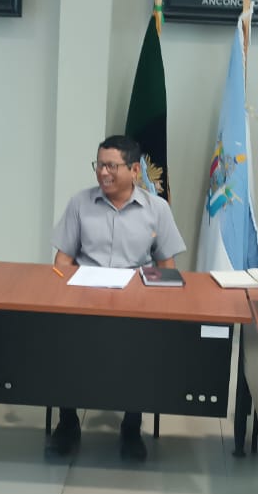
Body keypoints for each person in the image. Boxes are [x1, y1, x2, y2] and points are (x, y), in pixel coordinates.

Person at [49, 135, 187, 461]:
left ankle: (131, 425)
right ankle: (67, 422)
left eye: (112, 166)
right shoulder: (80, 203)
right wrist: (59, 298)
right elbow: (62, 261)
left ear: (135, 170)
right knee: (63, 341)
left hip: (135, 303)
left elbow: (166, 265)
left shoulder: (157, 209)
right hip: (84, 299)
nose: (103, 173)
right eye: (99, 165)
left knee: (140, 349)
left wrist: (163, 307)